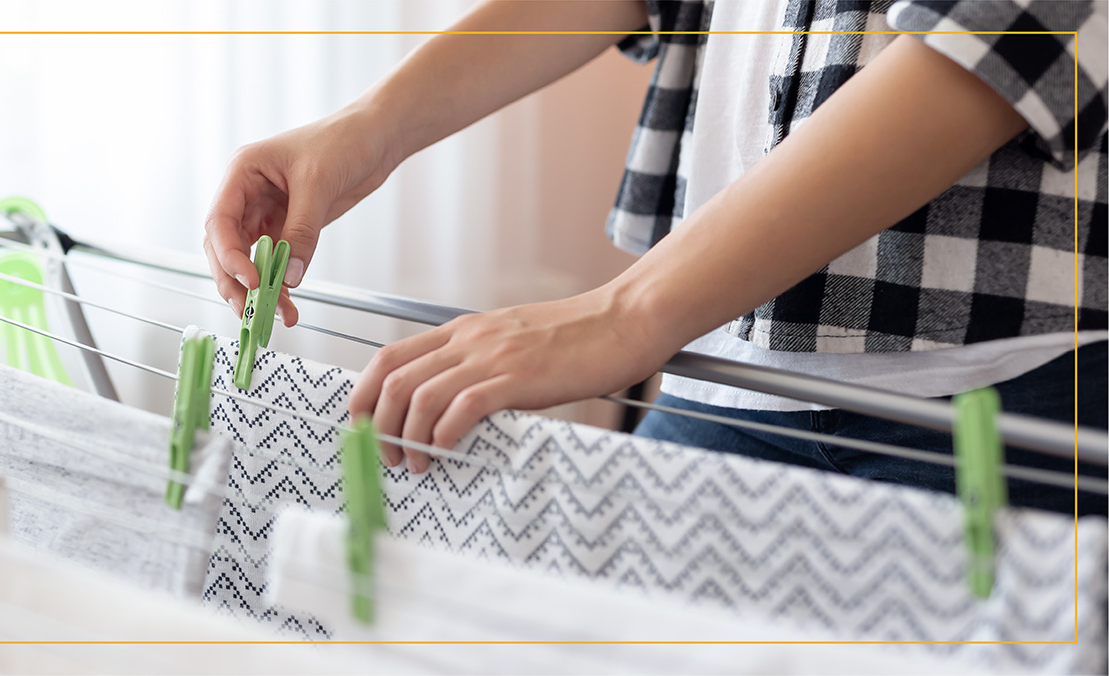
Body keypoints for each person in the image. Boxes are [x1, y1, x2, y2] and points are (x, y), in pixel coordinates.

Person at [203, 0, 1108, 515]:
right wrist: (365, 129)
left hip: (1010, 402)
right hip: (718, 384)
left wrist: (627, 311)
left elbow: (1000, 35)